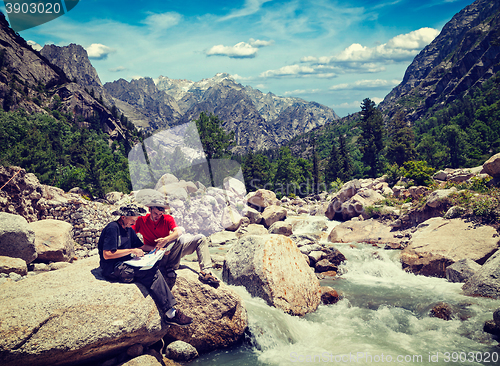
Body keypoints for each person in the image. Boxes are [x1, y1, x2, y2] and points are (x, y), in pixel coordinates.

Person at [98, 204, 193, 326]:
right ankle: (171, 314)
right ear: (123, 217)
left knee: (151, 267)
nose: (134, 223)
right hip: (113, 268)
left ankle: (171, 312)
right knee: (151, 271)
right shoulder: (113, 228)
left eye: (135, 220)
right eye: (132, 220)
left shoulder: (128, 229)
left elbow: (141, 246)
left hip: (126, 264)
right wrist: (131, 251)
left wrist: (158, 249)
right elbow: (107, 254)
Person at [133, 193, 220, 288]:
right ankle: (170, 267)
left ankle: (206, 272)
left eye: (160, 214)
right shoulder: (141, 220)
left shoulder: (167, 218)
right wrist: (155, 248)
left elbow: (178, 231)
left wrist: (165, 240)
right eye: (155, 213)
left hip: (171, 251)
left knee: (200, 238)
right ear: (150, 210)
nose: (157, 216)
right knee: (179, 240)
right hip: (156, 255)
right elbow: (131, 239)